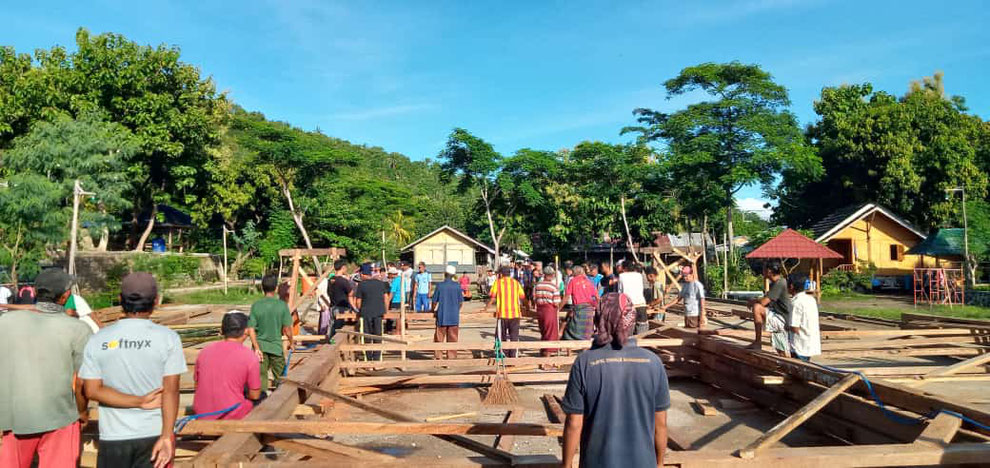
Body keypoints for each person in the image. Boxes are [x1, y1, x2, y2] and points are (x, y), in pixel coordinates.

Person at [81, 272, 185, 468]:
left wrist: (136, 402)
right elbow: (171, 391)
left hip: (113, 435)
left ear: (120, 300)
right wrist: (166, 436)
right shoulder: (168, 338)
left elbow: (92, 390)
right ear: (155, 301)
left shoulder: (98, 339)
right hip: (154, 432)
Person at [560, 291, 670, 468]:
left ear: (599, 319)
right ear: (631, 320)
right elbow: (661, 424)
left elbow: (574, 423)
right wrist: (659, 463)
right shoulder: (653, 363)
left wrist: (566, 465)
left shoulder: (585, 362)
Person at [0, 269, 93, 468]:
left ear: (34, 291)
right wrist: (82, 412)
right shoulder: (77, 329)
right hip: (60, 417)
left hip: (15, 419)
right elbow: (82, 381)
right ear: (65, 295)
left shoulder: (5, 322)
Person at [193, 312, 261, 420]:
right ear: (246, 331)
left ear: (222, 330)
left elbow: (197, 386)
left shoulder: (204, 352)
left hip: (202, 413)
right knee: (262, 398)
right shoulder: (249, 356)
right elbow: (254, 395)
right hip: (231, 414)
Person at [247, 274, 294, 393]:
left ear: (262, 288)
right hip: (276, 348)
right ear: (276, 288)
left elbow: (250, 329)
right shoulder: (282, 306)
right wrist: (291, 342)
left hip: (260, 348)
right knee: (281, 379)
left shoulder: (256, 306)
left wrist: (256, 347)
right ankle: (280, 403)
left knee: (260, 379)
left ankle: (260, 404)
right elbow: (287, 329)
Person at [747, 261, 792, 355]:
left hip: (783, 319)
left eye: (764, 269)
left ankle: (758, 342)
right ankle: (759, 342)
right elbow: (768, 302)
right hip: (778, 315)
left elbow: (763, 302)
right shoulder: (776, 283)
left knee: (757, 307)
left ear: (769, 271)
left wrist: (753, 301)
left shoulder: (780, 283)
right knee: (782, 351)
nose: (762, 271)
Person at [484, 266, 526, 358]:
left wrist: (486, 308)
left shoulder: (498, 283)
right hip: (515, 314)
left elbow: (492, 297)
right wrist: (526, 307)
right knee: (514, 336)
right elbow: (522, 296)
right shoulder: (516, 283)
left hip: (502, 314)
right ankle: (513, 355)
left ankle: (504, 354)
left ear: (501, 274)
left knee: (501, 336)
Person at [355, 262, 390, 361]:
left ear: (362, 274)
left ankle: (369, 360)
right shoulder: (381, 284)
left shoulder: (361, 285)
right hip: (379, 312)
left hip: (366, 313)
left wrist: (360, 310)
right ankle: (377, 359)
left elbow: (358, 301)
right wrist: (385, 310)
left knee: (367, 336)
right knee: (378, 336)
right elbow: (386, 298)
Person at [431, 265, 464, 360]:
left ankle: (438, 357)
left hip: (442, 316)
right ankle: (451, 358)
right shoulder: (457, 286)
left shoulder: (440, 286)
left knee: (439, 338)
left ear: (445, 274)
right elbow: (461, 302)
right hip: (454, 317)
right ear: (453, 275)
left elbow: (434, 301)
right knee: (453, 338)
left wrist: (433, 310)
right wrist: (455, 309)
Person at [559, 265, 598, 341]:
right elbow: (596, 296)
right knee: (587, 334)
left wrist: (558, 308)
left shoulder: (573, 281)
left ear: (574, 272)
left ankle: (569, 347)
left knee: (569, 331)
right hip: (589, 309)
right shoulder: (589, 281)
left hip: (578, 309)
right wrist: (596, 307)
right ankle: (584, 350)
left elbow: (566, 297)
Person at [788, 273, 821, 362]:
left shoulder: (796, 302)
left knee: (799, 369)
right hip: (810, 343)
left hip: (799, 345)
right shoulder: (811, 299)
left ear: (791, 286)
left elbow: (794, 326)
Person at [533, 266, 562, 357]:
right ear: (552, 275)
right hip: (549, 310)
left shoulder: (537, 285)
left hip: (540, 310)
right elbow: (556, 303)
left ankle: (543, 352)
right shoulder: (553, 287)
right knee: (550, 333)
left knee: (544, 332)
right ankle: (546, 359)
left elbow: (534, 298)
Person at [619, 263, 650, 335]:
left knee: (628, 330)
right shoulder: (639, 275)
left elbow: (620, 293)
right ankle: (642, 345)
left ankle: (629, 345)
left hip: (629, 306)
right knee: (642, 328)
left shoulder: (621, 276)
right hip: (641, 304)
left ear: (624, 269)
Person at [328, 260, 354, 342]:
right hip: (342, 307)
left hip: (332, 306)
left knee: (333, 325)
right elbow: (351, 292)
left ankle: (331, 341)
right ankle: (334, 345)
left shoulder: (330, 280)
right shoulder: (343, 281)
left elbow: (328, 292)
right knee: (340, 328)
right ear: (343, 268)